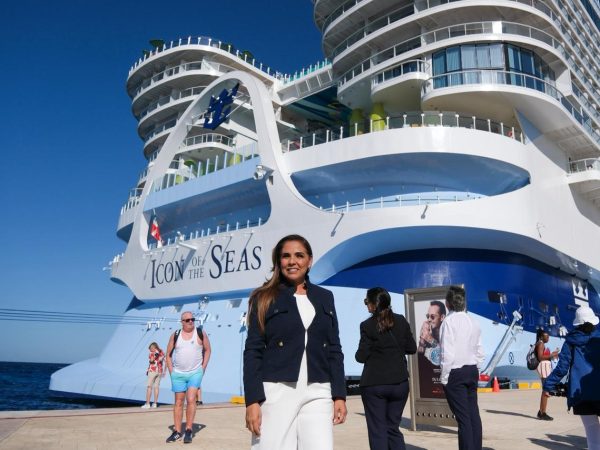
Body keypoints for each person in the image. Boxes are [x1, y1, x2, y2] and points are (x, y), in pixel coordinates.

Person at [243, 234, 347, 450]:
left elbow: (334, 349)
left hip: (318, 389)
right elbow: (253, 350)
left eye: (299, 255)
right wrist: (252, 400)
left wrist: (339, 395)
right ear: (278, 261)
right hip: (277, 390)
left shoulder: (325, 297)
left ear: (309, 260)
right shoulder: (264, 297)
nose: (292, 261)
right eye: (286, 256)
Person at [355, 287, 417, 450]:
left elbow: (361, 357)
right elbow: (412, 348)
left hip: (375, 384)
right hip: (399, 383)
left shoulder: (367, 325)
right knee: (392, 428)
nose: (366, 305)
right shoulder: (401, 321)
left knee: (378, 431)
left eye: (366, 302)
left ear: (373, 304)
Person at [544, 305, 600, 450]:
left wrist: (548, 385)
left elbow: (562, 368)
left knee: (591, 430)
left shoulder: (570, 341)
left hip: (580, 393)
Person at [440, 285, 484, 450]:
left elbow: (447, 354)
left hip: (455, 372)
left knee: (463, 419)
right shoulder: (473, 321)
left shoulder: (448, 322)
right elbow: (479, 350)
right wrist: (477, 368)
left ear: (448, 303)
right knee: (473, 415)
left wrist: (444, 377)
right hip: (472, 370)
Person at [165, 311, 212, 444]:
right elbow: (168, 354)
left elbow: (208, 350)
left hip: (195, 372)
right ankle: (177, 432)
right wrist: (171, 371)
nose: (191, 321)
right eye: (187, 320)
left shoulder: (200, 333)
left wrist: (203, 368)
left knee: (191, 399)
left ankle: (189, 430)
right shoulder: (175, 335)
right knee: (178, 402)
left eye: (192, 319)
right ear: (182, 322)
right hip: (178, 374)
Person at [534, 328, 559, 420]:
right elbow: (540, 357)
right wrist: (552, 355)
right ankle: (542, 413)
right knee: (546, 390)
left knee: (545, 390)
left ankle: (541, 411)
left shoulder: (540, 343)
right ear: (541, 337)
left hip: (545, 368)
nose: (548, 338)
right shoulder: (541, 344)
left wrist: (552, 354)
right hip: (544, 369)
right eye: (546, 336)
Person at [418, 300, 447, 365]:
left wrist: (430, 340)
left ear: (442, 317)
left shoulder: (448, 332)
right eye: (428, 316)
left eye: (432, 316)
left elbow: (446, 357)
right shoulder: (428, 331)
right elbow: (419, 359)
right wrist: (422, 340)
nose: (429, 319)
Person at [141, 342, 164, 408]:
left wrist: (152, 359)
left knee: (149, 387)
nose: (150, 349)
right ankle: (155, 404)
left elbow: (151, 361)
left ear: (154, 347)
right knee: (156, 387)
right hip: (159, 371)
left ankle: (147, 404)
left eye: (150, 348)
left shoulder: (152, 353)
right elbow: (162, 358)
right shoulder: (161, 352)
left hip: (152, 371)